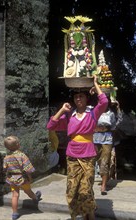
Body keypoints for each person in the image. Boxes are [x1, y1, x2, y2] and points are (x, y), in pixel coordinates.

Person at [46, 75, 108, 220]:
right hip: (72, 155)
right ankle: (77, 215)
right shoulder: (69, 117)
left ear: (86, 98)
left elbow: (104, 101)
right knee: (72, 189)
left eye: (81, 96)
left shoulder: (92, 114)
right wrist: (62, 110)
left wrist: (95, 84)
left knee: (86, 189)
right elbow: (51, 125)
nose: (78, 99)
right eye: (76, 97)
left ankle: (90, 214)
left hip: (88, 154)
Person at [3, 135, 42, 220]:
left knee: (15, 195)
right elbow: (28, 168)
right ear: (18, 145)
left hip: (12, 179)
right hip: (23, 178)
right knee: (28, 191)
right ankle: (35, 198)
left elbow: (5, 168)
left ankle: (14, 213)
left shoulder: (6, 157)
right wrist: (30, 177)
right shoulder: (22, 155)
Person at [93, 98, 117, 195]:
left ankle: (103, 186)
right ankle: (100, 179)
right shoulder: (94, 112)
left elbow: (114, 126)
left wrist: (104, 128)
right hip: (95, 138)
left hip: (107, 139)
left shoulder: (111, 114)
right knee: (96, 160)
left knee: (105, 161)